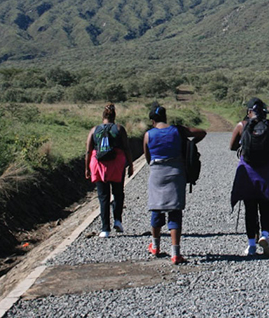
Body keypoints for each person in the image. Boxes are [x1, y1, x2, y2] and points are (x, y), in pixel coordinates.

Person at [143, 104, 206, 264]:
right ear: (166, 117)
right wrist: (191, 143)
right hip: (176, 172)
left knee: (156, 209)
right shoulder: (177, 130)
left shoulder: (148, 135)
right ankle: (175, 252)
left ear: (152, 121)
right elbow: (202, 132)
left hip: (157, 173)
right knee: (175, 211)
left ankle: (155, 246)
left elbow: (148, 158)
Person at [229, 98, 269, 257]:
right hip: (266, 170)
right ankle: (265, 235)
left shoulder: (242, 125)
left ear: (249, 112)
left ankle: (251, 245)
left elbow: (232, 146)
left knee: (249, 207)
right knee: (266, 204)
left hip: (247, 171)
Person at [85, 104, 134, 238]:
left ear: (103, 117)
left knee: (103, 196)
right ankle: (117, 220)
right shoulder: (119, 128)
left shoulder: (94, 130)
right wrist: (130, 164)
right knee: (118, 193)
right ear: (114, 116)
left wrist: (87, 168)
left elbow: (89, 151)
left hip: (98, 165)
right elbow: (126, 148)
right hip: (116, 165)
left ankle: (105, 229)